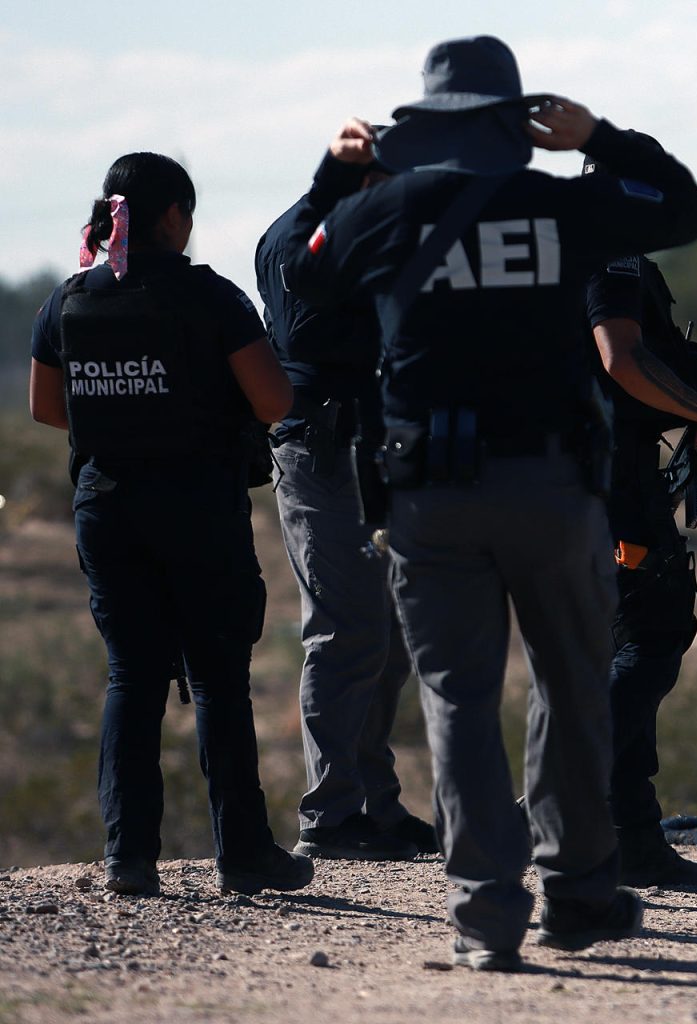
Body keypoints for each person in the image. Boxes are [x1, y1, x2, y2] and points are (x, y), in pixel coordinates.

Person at [274, 36, 697, 971]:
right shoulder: (562, 207)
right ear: (516, 124)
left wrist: (334, 175)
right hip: (554, 490)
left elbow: (304, 277)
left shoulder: (384, 213)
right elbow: (688, 209)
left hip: (430, 502)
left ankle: (484, 916)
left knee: (457, 702)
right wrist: (603, 137)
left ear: (425, 126)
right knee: (570, 686)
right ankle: (577, 893)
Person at [28, 152, 313, 897]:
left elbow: (48, 410)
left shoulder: (68, 299)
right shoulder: (210, 297)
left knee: (132, 677)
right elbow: (275, 401)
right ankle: (244, 856)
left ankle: (128, 857)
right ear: (173, 217)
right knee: (220, 681)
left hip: (107, 506)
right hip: (197, 507)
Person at [254, 172, 437, 862]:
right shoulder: (298, 238)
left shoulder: (347, 230)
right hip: (320, 451)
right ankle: (330, 816)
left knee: (386, 638)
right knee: (345, 631)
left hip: (368, 450)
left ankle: (376, 806)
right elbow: (310, 326)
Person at [582, 152, 697, 885]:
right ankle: (598, 809)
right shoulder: (606, 253)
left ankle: (611, 826)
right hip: (610, 480)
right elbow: (621, 360)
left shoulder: (540, 250)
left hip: (570, 477)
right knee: (652, 631)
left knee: (611, 641)